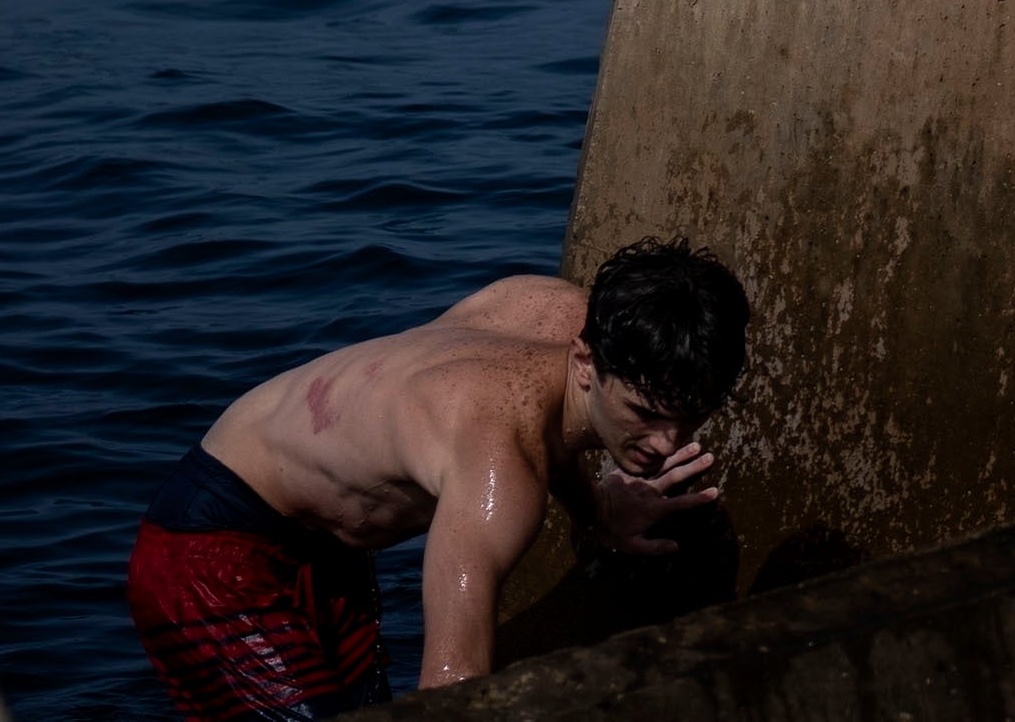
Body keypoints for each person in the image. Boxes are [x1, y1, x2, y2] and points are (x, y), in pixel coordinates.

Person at [129, 243, 751, 717]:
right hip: (205, 551)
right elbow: (452, 693)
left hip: (320, 536)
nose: (668, 443)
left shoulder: (548, 307)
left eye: (689, 416)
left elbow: (549, 424)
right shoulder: (501, 472)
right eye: (645, 416)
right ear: (588, 362)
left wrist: (598, 513)